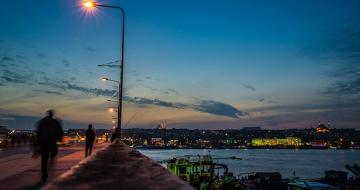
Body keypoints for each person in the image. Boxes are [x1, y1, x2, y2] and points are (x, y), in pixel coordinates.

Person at [35, 110, 63, 181]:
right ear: (52, 115)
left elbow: (38, 133)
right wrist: (59, 139)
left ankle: (44, 174)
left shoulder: (42, 121)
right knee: (53, 154)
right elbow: (60, 131)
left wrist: (38, 142)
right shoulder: (55, 122)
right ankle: (50, 164)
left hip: (44, 143)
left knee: (44, 159)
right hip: (52, 142)